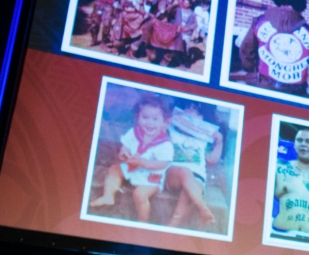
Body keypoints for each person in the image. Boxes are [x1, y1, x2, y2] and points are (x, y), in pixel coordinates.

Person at [89, 94, 174, 223]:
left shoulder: (165, 144)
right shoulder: (134, 132)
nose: (150, 122)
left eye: (155, 119)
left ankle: (142, 222)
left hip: (151, 177)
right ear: (137, 118)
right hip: (132, 168)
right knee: (114, 169)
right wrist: (124, 154)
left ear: (165, 122)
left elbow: (162, 164)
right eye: (145, 117)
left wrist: (143, 162)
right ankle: (108, 196)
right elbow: (125, 147)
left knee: (139, 195)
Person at [239, 0, 309, 96]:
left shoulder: (259, 22)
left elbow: (246, 54)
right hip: (297, 94)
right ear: (300, 5)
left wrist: (254, 69)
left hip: (264, 89)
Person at [164, 101, 224, 228]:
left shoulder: (204, 139)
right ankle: (203, 208)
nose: (191, 115)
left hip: (197, 178)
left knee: (190, 191)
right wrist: (164, 126)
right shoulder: (170, 130)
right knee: (184, 172)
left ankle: (172, 227)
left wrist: (219, 143)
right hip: (174, 173)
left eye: (197, 113)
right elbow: (160, 148)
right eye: (187, 110)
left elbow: (211, 161)